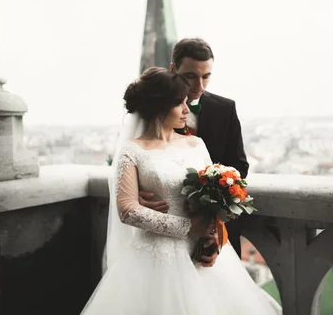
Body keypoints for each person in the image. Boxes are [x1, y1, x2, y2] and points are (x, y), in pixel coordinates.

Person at [81, 67, 280, 315]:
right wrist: (187, 227)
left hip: (200, 254)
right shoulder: (131, 152)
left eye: (187, 102)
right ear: (159, 107)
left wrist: (214, 238)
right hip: (155, 258)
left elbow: (213, 195)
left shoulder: (196, 144)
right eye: (180, 103)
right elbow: (128, 210)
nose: (187, 109)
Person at [138, 38, 248, 263]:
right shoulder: (149, 110)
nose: (199, 86)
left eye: (206, 76)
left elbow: (239, 167)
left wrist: (214, 215)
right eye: (190, 76)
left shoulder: (225, 109)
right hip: (163, 233)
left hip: (215, 230)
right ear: (173, 69)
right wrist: (136, 194)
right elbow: (136, 158)